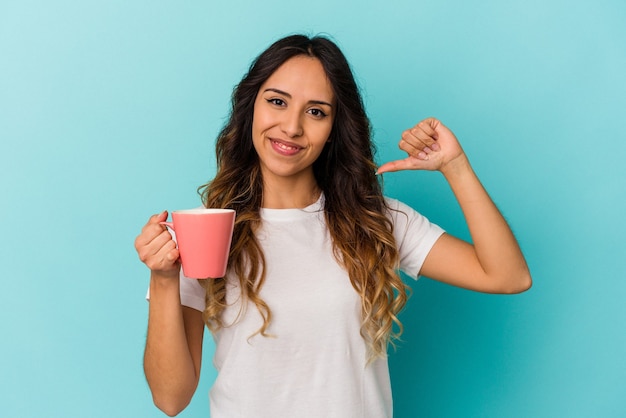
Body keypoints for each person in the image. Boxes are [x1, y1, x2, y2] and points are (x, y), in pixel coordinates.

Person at [134, 34, 531, 418]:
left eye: (316, 111)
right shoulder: (203, 232)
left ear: (334, 129)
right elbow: (171, 399)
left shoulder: (376, 221)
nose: (291, 127)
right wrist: (164, 278)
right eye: (277, 102)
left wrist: (455, 167)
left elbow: (508, 276)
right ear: (250, 107)